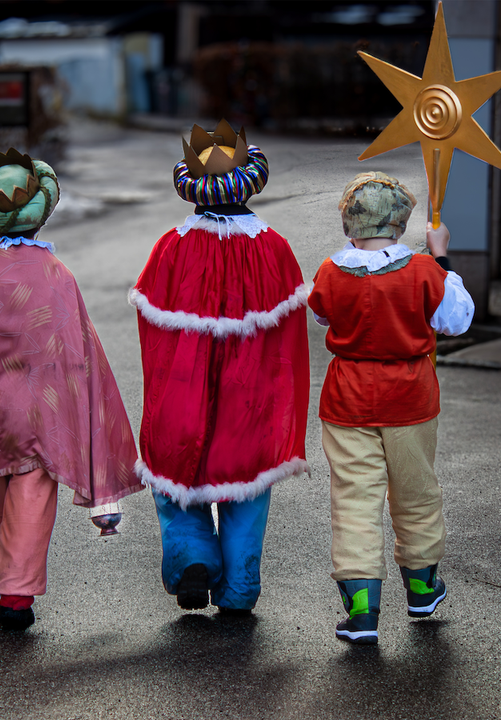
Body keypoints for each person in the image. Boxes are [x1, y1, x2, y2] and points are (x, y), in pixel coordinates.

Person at [0, 148, 142, 630]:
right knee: (30, 494)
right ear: (42, 214)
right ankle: (15, 591)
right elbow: (77, 352)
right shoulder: (56, 276)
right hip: (41, 414)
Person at [129, 121, 310, 614]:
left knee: (176, 478)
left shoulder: (172, 245)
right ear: (250, 180)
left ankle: (193, 557)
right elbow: (289, 335)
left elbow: (151, 329)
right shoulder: (273, 247)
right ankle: (240, 586)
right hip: (250, 394)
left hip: (182, 391)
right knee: (246, 488)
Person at [307, 171, 474, 644]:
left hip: (347, 400)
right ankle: (422, 589)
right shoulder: (423, 271)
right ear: (400, 225)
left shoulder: (330, 271)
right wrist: (440, 255)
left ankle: (361, 610)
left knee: (354, 500)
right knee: (416, 492)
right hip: (411, 398)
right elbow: (457, 320)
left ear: (348, 225)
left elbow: (321, 312)